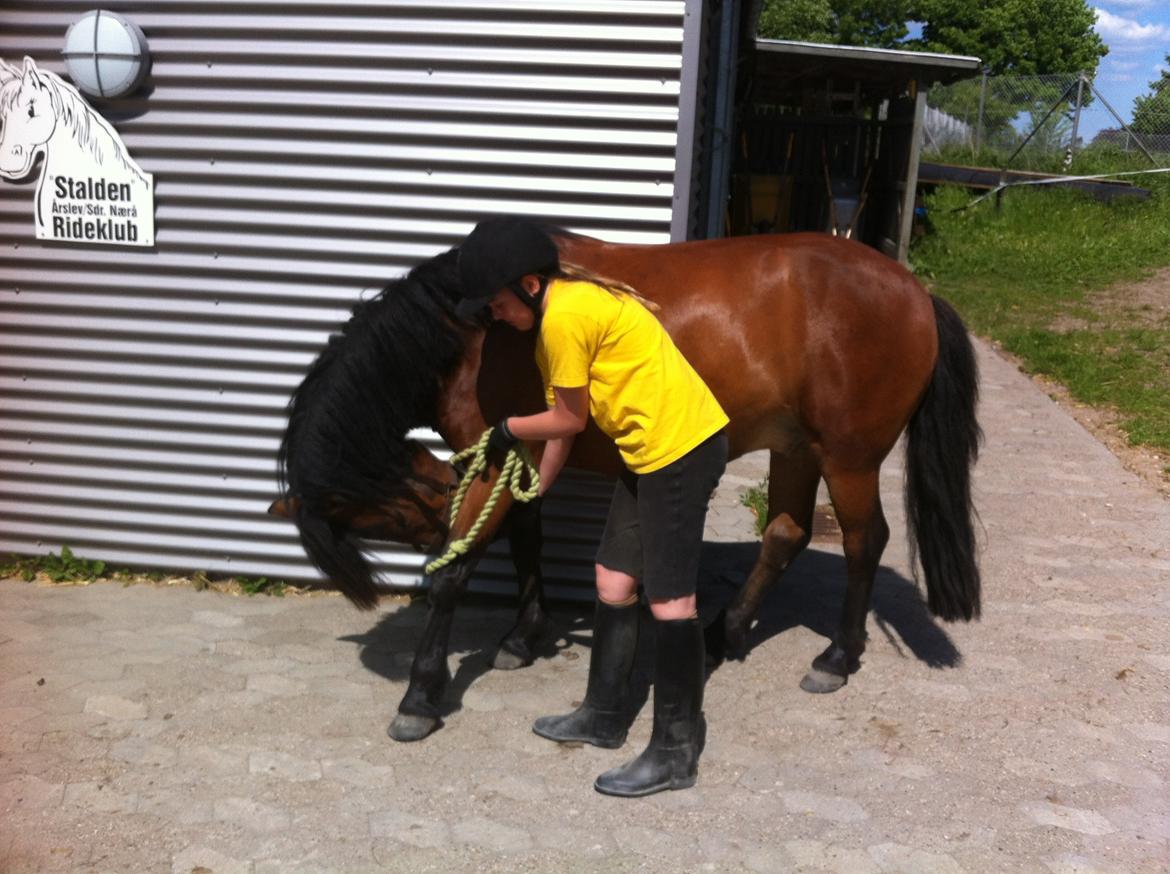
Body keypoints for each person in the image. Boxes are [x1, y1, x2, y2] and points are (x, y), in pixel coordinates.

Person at [455, 216, 728, 797]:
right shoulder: (562, 311)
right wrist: (536, 488)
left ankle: (676, 753)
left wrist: (505, 427)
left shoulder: (566, 320)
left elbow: (567, 420)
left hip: (680, 450)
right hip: (647, 453)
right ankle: (603, 717)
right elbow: (564, 427)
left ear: (528, 285)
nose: (493, 316)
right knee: (611, 578)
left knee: (672, 601)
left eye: (496, 304)